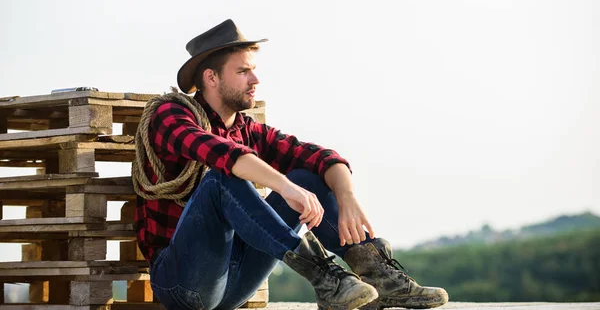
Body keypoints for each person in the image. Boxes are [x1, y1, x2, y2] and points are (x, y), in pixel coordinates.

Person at [135, 19, 449, 310]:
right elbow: (221, 154)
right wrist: (285, 187)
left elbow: (322, 157)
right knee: (221, 180)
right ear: (211, 77)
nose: (255, 79)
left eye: (254, 70)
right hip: (184, 285)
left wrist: (346, 197)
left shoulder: (248, 131)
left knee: (309, 176)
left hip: (235, 281)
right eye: (243, 71)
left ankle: (380, 277)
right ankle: (324, 276)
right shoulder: (171, 116)